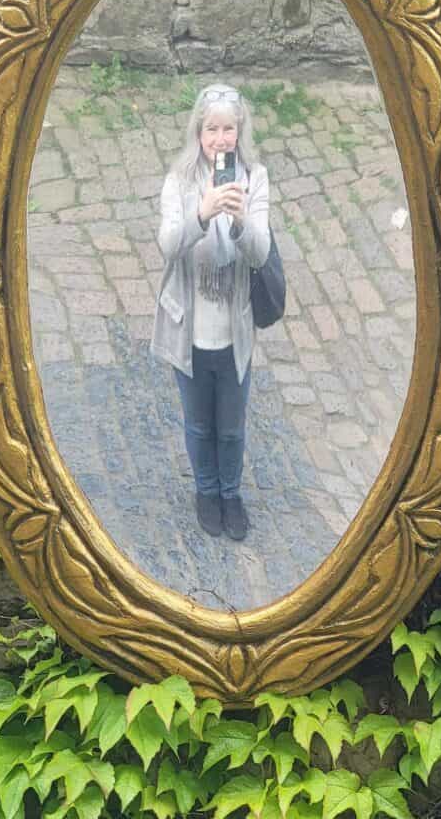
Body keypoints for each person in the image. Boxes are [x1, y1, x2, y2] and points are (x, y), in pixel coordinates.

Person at [150, 83, 270, 541]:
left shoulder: (254, 177)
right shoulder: (179, 182)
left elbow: (260, 253)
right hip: (190, 333)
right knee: (199, 423)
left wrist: (239, 220)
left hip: (233, 332)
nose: (221, 139)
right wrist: (201, 214)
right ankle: (205, 491)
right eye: (212, 129)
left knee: (232, 428)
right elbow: (168, 246)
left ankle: (230, 493)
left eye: (229, 129)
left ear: (240, 133)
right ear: (198, 133)